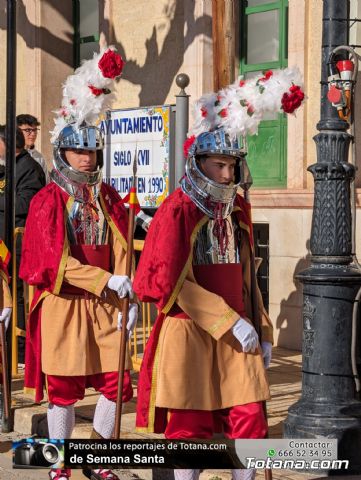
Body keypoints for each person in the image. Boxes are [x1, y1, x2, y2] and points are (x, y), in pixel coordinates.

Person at [19, 47, 136, 480]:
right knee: (64, 390)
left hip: (107, 304)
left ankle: (99, 457)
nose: (86, 159)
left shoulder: (107, 197)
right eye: (77, 152)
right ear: (63, 152)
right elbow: (53, 264)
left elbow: (123, 244)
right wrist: (107, 279)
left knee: (114, 382)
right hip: (65, 304)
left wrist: (130, 288)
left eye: (91, 153)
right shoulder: (47, 200)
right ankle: (60, 463)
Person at [134, 128, 273, 480]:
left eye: (232, 166)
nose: (227, 175)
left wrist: (264, 328)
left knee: (249, 420)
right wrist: (229, 321)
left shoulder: (237, 208)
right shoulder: (176, 210)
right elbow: (175, 283)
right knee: (189, 428)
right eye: (219, 165)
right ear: (198, 163)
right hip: (188, 331)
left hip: (238, 332)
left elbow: (246, 277)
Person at [0, 125, 46, 364]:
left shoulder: (30, 168)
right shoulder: (8, 168)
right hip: (3, 245)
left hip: (18, 245)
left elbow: (25, 203)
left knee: (16, 296)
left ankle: (18, 351)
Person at [17, 114, 50, 184]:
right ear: (17, 131)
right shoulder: (7, 155)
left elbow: (46, 184)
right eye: (28, 130)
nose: (33, 134)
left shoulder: (39, 157)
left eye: (35, 130)